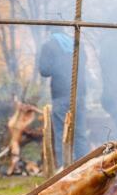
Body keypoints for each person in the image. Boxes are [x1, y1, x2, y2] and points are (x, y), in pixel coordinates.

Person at [36, 24, 87, 163]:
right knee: (80, 134)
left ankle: (64, 169)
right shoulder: (77, 44)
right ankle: (86, 168)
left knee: (61, 135)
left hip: (61, 96)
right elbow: (84, 63)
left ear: (49, 31)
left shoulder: (49, 45)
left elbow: (44, 70)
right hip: (79, 94)